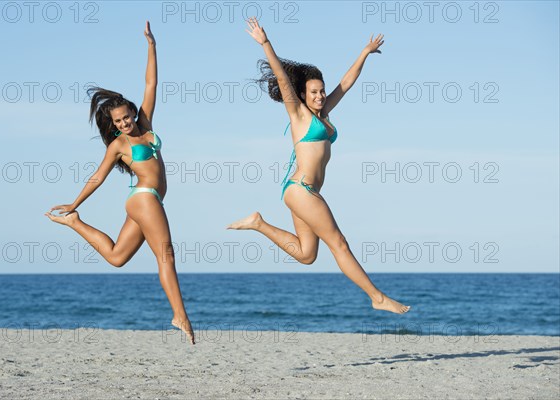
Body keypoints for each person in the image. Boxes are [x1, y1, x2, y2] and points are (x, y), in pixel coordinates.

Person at [228, 17, 410, 314]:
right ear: (302, 95)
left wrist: (364, 52)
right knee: (337, 242)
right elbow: (283, 79)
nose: (320, 95)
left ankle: (258, 223)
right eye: (313, 92)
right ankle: (377, 297)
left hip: (298, 190)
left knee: (306, 254)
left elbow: (346, 83)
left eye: (321, 91)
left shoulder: (324, 114)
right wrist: (265, 43)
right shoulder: (299, 115)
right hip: (302, 190)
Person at [45, 21, 195, 343]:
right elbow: (98, 176)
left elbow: (151, 84)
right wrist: (75, 199)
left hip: (146, 200)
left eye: (127, 116)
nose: (126, 122)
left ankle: (75, 223)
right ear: (113, 125)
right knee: (166, 255)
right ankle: (179, 314)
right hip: (144, 197)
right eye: (119, 121)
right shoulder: (119, 146)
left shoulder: (146, 125)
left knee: (116, 257)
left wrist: (152, 46)